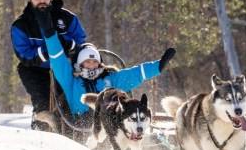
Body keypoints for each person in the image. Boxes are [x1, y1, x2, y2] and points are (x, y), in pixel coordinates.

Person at [33, 8, 176, 123]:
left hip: (107, 125)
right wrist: (50, 34)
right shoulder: (71, 81)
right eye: (87, 62)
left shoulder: (110, 80)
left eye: (94, 61)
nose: (91, 65)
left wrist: (158, 66)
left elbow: (136, 74)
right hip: (79, 124)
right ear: (79, 64)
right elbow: (57, 58)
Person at [11, 0, 87, 129]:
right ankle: (41, 126)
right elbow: (24, 54)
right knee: (44, 102)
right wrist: (49, 51)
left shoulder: (66, 18)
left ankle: (79, 131)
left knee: (70, 101)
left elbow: (80, 40)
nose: (41, 0)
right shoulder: (21, 25)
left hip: (65, 67)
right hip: (35, 69)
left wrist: (67, 45)